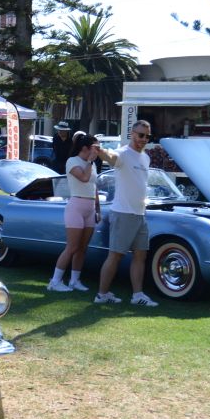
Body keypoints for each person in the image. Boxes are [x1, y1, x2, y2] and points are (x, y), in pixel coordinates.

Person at [93, 120, 159, 307]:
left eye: (147, 136)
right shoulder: (123, 153)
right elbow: (111, 157)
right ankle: (102, 294)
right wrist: (101, 151)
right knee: (115, 256)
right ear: (132, 134)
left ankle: (137, 295)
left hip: (139, 214)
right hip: (123, 213)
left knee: (140, 256)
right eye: (140, 135)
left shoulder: (145, 157)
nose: (143, 139)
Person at [48, 134, 101, 292]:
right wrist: (90, 161)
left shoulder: (92, 164)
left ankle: (74, 280)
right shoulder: (72, 161)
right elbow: (84, 178)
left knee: (82, 248)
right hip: (76, 207)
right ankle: (55, 281)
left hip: (90, 208)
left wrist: (98, 209)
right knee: (72, 247)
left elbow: (94, 187)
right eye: (95, 147)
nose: (98, 150)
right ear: (85, 148)